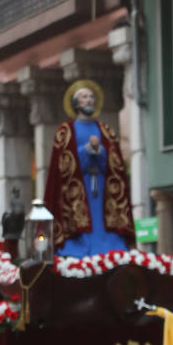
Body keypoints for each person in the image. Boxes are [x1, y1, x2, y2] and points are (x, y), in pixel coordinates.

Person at [43, 80, 134, 256]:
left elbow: (115, 165)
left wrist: (99, 151)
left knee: (102, 218)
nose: (89, 100)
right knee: (80, 219)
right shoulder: (65, 131)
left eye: (92, 97)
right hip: (78, 187)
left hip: (102, 187)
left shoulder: (106, 130)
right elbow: (61, 166)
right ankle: (78, 247)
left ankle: (108, 245)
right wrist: (87, 150)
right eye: (84, 97)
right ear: (76, 103)